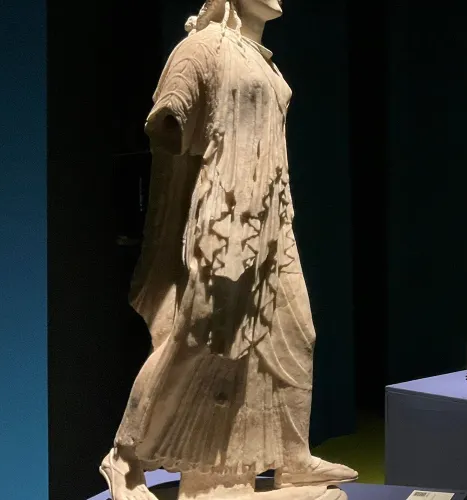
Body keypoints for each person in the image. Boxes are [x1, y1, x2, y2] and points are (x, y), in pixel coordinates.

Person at [98, 2, 356, 498]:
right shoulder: (204, 46)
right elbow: (167, 121)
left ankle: (291, 457)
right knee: (197, 337)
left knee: (297, 333)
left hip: (273, 219)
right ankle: (125, 454)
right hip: (226, 218)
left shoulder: (264, 60)